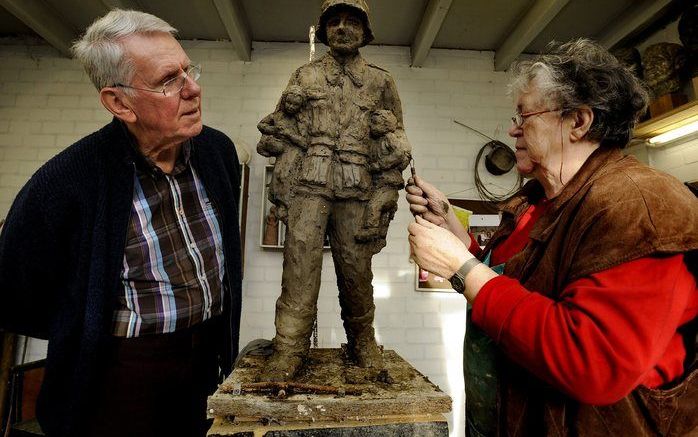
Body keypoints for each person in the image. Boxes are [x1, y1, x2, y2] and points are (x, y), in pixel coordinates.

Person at [407, 39, 698, 436]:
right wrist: (454, 233)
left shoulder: (637, 204)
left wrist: (460, 268)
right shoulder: (538, 202)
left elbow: (593, 363)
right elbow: (521, 282)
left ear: (579, 122)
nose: (513, 128)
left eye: (524, 115)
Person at [0, 9, 243, 437]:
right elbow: (14, 294)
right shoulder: (64, 182)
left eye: (189, 70)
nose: (193, 89)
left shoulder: (217, 153)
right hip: (118, 378)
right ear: (118, 102)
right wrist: (81, 322)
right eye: (170, 80)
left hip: (205, 362)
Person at [259, 0, 409, 381]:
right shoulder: (304, 76)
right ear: (324, 29)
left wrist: (386, 193)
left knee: (356, 271)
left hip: (357, 186)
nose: (343, 28)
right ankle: (289, 348)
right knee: (299, 266)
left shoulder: (381, 81)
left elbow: (396, 143)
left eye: (352, 21)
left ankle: (363, 342)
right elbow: (276, 128)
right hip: (310, 183)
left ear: (365, 31)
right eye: (335, 21)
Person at [356, 109, 411, 242]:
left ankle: (371, 229)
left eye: (375, 123)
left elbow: (398, 153)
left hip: (388, 182)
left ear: (386, 125)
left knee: (375, 205)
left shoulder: (389, 138)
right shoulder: (377, 141)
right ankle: (381, 230)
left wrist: (379, 165)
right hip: (379, 183)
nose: (371, 127)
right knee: (383, 209)